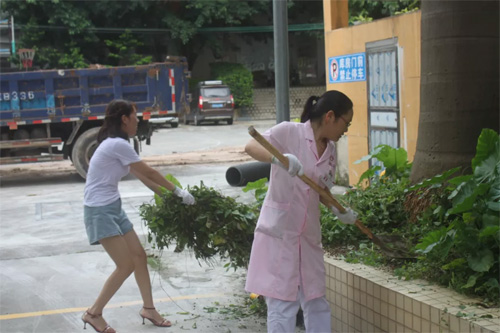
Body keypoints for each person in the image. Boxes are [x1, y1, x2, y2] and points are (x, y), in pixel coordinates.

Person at [244, 90, 358, 333]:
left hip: (308, 237)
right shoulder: (289, 132)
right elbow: (251, 146)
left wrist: (339, 209)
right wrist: (279, 159)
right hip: (281, 233)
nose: (345, 130)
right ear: (330, 116)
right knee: (282, 303)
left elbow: (322, 190)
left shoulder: (330, 151)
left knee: (316, 299)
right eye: (345, 123)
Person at [81, 99, 195, 332]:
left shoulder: (118, 144)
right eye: (135, 116)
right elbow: (149, 171)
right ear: (124, 119)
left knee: (139, 257)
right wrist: (178, 191)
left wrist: (167, 197)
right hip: (99, 211)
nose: (137, 121)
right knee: (125, 265)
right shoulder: (117, 144)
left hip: (113, 207)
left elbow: (142, 176)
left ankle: (149, 309)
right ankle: (93, 313)